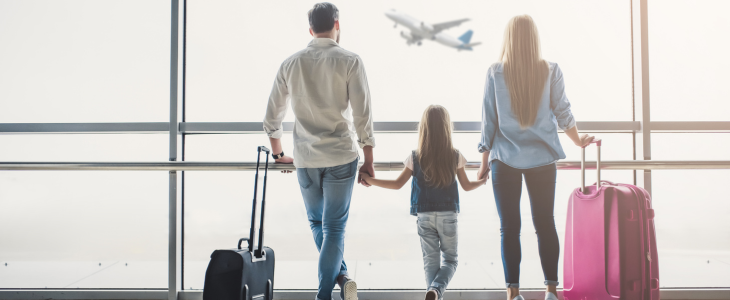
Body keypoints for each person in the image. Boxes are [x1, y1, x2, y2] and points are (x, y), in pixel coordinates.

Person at [475, 15, 595, 300]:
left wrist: (483, 163)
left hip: (504, 160)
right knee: (545, 223)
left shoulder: (495, 72)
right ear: (534, 39)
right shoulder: (550, 71)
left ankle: (513, 294)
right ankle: (551, 290)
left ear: (509, 39)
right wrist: (578, 140)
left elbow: (488, 123)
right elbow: (563, 110)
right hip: (542, 160)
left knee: (510, 228)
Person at [262, 3, 375, 300]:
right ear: (337, 24)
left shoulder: (291, 63)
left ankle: (340, 277)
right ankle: (326, 291)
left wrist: (278, 155)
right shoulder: (350, 60)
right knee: (335, 228)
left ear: (310, 30)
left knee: (317, 223)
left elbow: (272, 118)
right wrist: (369, 161)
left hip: (306, 159)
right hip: (341, 156)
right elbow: (363, 116)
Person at [361, 105, 486, 300]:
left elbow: (397, 184)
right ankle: (436, 290)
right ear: (446, 128)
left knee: (430, 262)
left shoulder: (415, 156)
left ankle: (434, 291)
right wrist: (483, 180)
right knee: (451, 261)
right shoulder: (454, 155)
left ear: (424, 128)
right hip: (448, 217)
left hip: (424, 216)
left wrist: (369, 180)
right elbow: (467, 186)